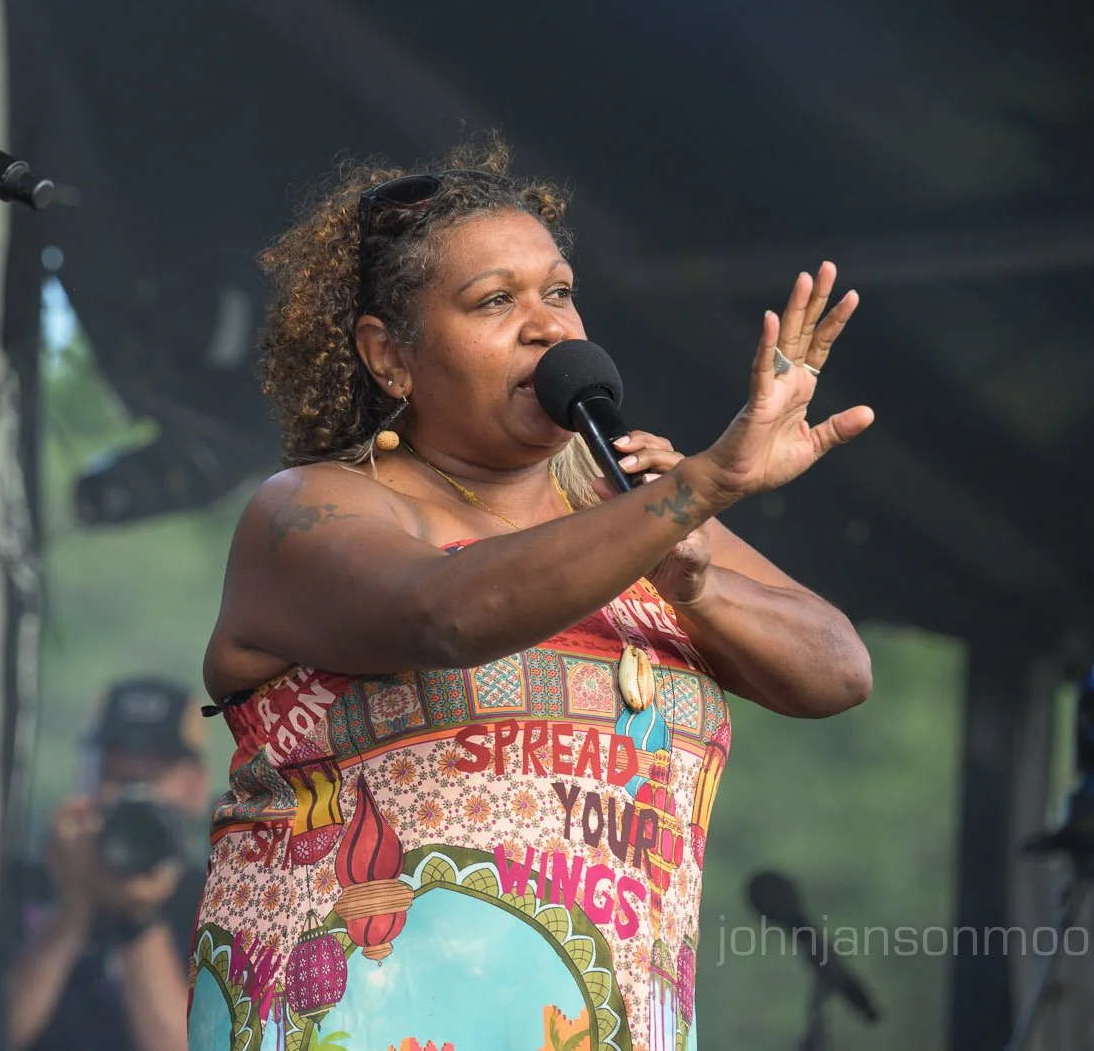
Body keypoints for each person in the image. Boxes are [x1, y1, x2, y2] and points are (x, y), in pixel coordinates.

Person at [186, 141, 876, 1051]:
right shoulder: (309, 510)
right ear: (390, 356)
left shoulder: (633, 511)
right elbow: (448, 613)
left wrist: (698, 576)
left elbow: (838, 670)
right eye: (494, 301)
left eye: (559, 292)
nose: (549, 327)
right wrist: (697, 490)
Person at [10, 677, 216, 1051]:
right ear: (87, 778)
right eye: (116, 776)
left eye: (153, 776)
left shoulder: (221, 905)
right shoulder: (34, 882)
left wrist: (138, 916)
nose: (134, 795)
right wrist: (73, 906)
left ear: (196, 786)